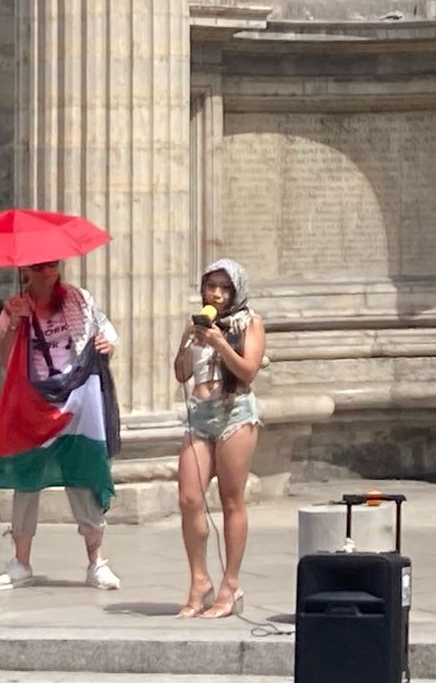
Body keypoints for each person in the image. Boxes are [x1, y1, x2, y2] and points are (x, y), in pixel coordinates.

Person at [0, 259, 121, 591]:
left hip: (77, 401)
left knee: (84, 476)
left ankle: (96, 562)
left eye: (52, 266)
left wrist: (108, 343)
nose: (48, 273)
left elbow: (104, 333)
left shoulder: (79, 300)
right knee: (26, 479)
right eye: (40, 267)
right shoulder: (14, 309)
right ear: (25, 272)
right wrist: (14, 325)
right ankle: (21, 562)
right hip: (34, 405)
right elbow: (4, 358)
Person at [174, 258, 265, 619]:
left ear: (236, 292)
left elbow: (248, 371)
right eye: (211, 286)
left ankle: (230, 584)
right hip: (199, 414)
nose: (217, 294)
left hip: (234, 412)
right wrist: (188, 342)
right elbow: (181, 373)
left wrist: (221, 343)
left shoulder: (250, 323)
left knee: (231, 499)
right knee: (189, 498)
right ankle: (199, 580)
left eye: (225, 288)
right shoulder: (197, 324)